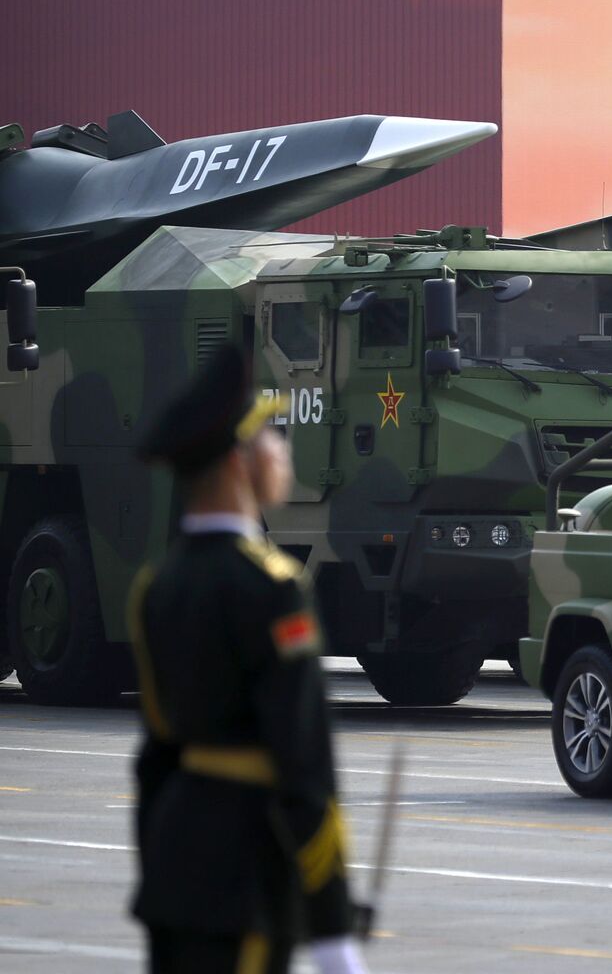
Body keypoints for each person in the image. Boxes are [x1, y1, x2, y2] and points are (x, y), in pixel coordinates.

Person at [128, 344, 371, 974]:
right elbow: (304, 767)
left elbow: (155, 757)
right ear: (240, 461)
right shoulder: (271, 587)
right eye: (275, 436)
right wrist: (333, 929)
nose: (284, 452)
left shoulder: (157, 585)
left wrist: (160, 867)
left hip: (174, 874)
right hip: (246, 874)